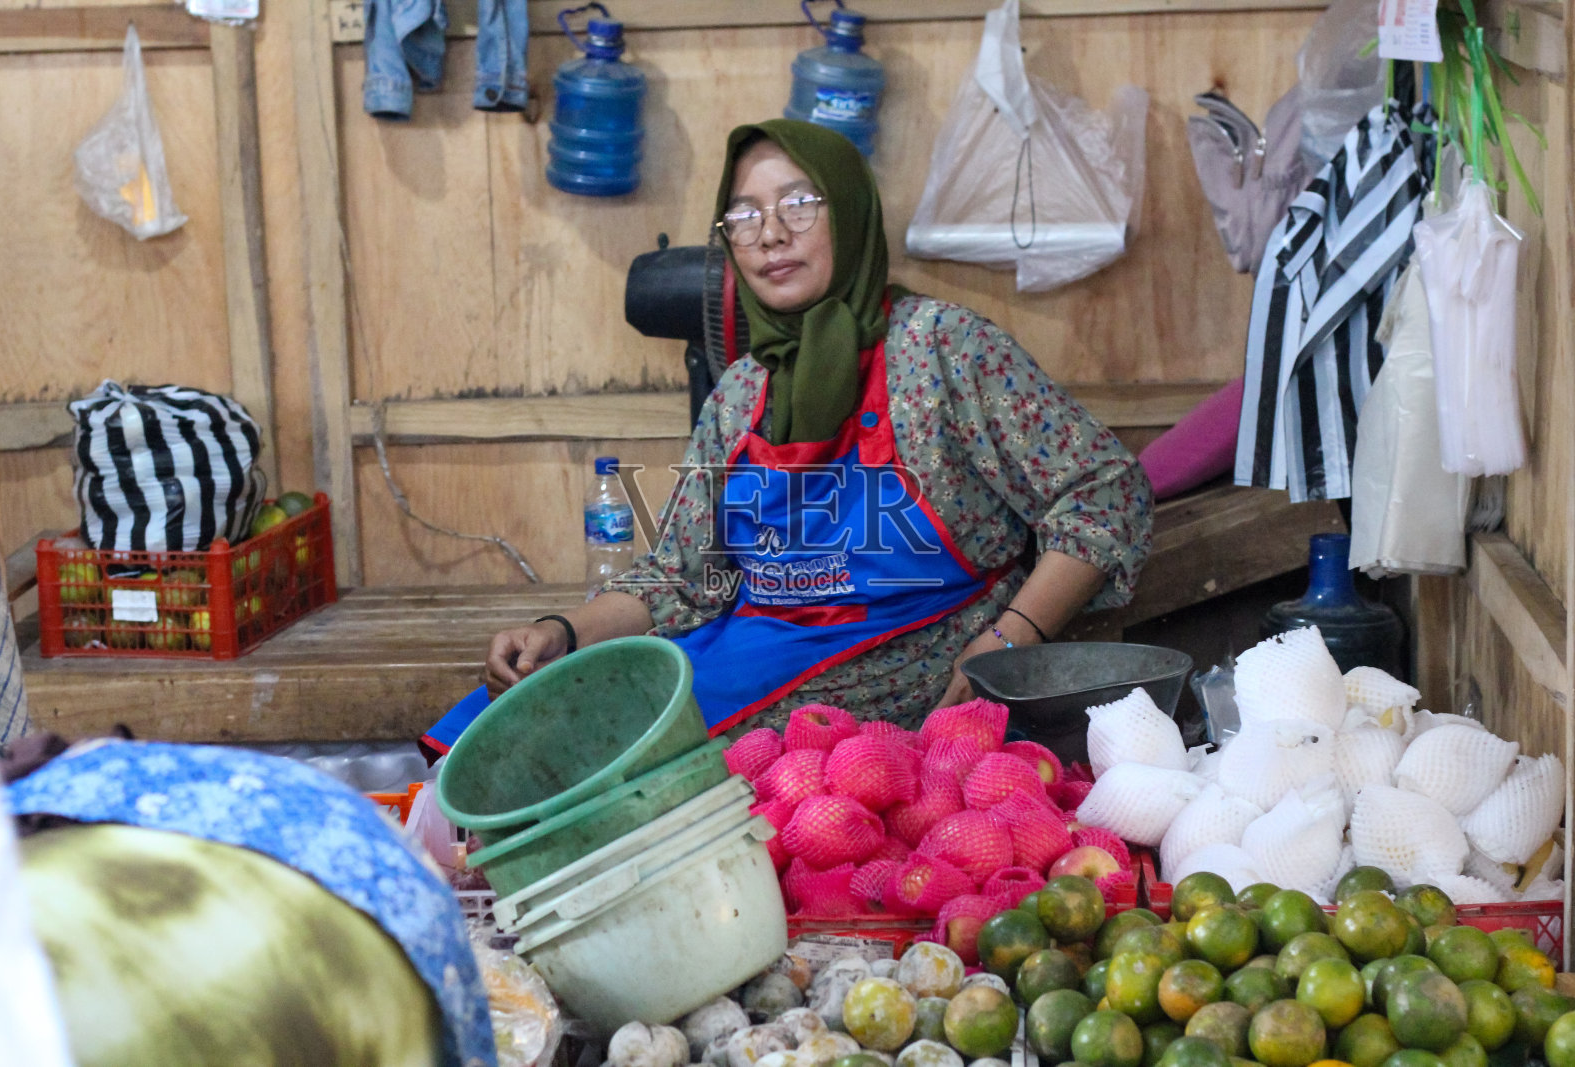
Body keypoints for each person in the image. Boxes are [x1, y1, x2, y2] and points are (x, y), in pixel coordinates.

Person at [486, 119, 1153, 735]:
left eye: (799, 205)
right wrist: (562, 632)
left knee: (603, 746)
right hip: (758, 646)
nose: (770, 234)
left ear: (852, 211)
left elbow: (1102, 493)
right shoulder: (741, 392)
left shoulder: (945, 350)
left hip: (899, 673)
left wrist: (1009, 643)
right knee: (511, 717)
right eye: (745, 215)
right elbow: (685, 576)